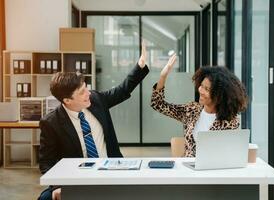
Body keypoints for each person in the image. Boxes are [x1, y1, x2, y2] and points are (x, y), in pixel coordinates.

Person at [38, 43, 149, 200]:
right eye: (82, 92)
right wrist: (57, 186)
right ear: (67, 100)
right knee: (45, 198)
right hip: (77, 177)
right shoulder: (51, 123)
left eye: (86, 87)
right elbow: (46, 162)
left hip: (111, 171)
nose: (88, 93)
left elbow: (122, 90)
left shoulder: (96, 100)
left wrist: (140, 65)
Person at [151, 53, 248, 157]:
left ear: (219, 96)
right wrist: (163, 76)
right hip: (187, 169)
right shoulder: (191, 110)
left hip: (214, 170)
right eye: (201, 86)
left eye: (207, 89)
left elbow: (230, 154)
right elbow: (157, 104)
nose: (200, 90)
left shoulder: (230, 122)